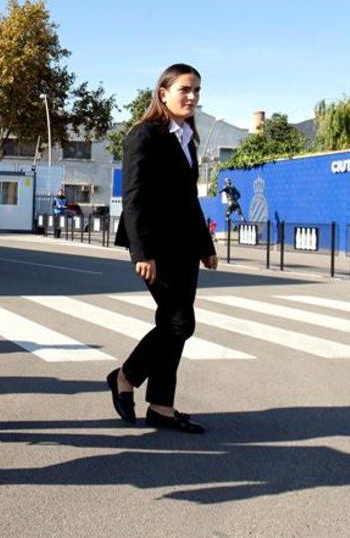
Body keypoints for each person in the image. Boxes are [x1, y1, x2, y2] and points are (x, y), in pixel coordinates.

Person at [112, 63, 218, 433]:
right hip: (156, 247)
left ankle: (161, 406)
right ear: (163, 93)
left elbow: (189, 199)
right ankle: (125, 376)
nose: (192, 97)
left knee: (173, 325)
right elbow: (134, 198)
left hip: (185, 246)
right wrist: (143, 252)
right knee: (179, 322)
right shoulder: (144, 135)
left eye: (197, 91)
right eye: (185, 90)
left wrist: (206, 245)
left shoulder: (187, 136)